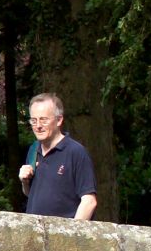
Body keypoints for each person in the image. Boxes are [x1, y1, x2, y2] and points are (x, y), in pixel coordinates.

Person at [19, 92, 98, 220]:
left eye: (43, 120)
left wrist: (72, 235)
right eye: (34, 120)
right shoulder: (34, 150)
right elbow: (31, 194)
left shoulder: (76, 152)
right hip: (34, 234)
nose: (38, 126)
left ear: (59, 120)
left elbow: (89, 201)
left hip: (62, 236)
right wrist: (25, 182)